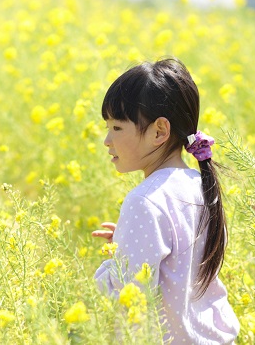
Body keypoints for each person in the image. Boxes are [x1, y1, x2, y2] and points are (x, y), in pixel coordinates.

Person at [92, 58, 240, 343]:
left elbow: (129, 297)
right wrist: (127, 241)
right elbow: (181, 261)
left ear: (159, 131)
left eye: (117, 128)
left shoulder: (146, 201)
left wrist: (113, 264)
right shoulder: (200, 186)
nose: (107, 140)